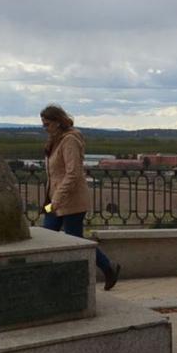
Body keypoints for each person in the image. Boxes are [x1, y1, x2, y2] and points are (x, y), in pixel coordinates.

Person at [40, 105, 121, 290]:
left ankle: (107, 267)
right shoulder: (55, 140)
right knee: (47, 237)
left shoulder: (69, 141)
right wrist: (50, 203)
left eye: (47, 124)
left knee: (76, 240)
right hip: (53, 203)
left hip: (71, 202)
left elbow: (73, 174)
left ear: (58, 122)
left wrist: (56, 201)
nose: (45, 128)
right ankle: (54, 280)